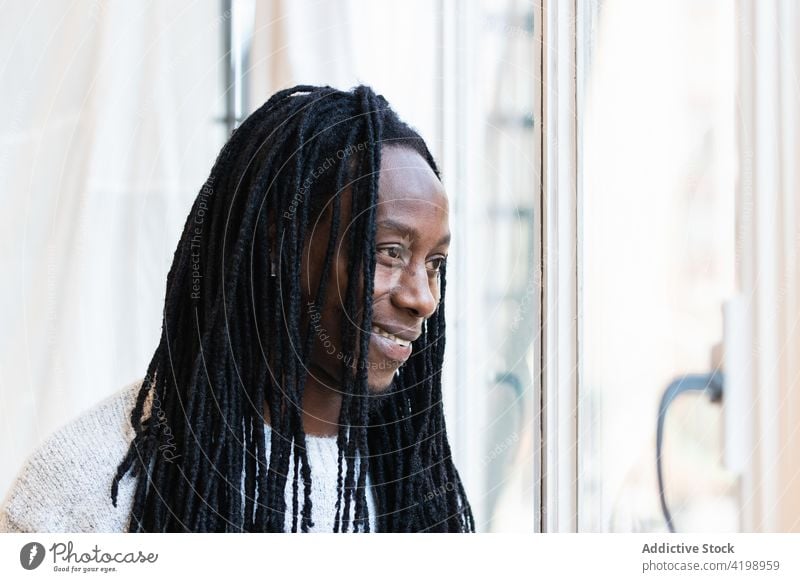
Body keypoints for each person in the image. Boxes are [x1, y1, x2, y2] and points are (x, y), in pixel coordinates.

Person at [0, 85, 474, 533]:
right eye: (388, 252)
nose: (423, 298)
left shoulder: (413, 479)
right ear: (278, 244)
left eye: (434, 263)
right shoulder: (83, 490)